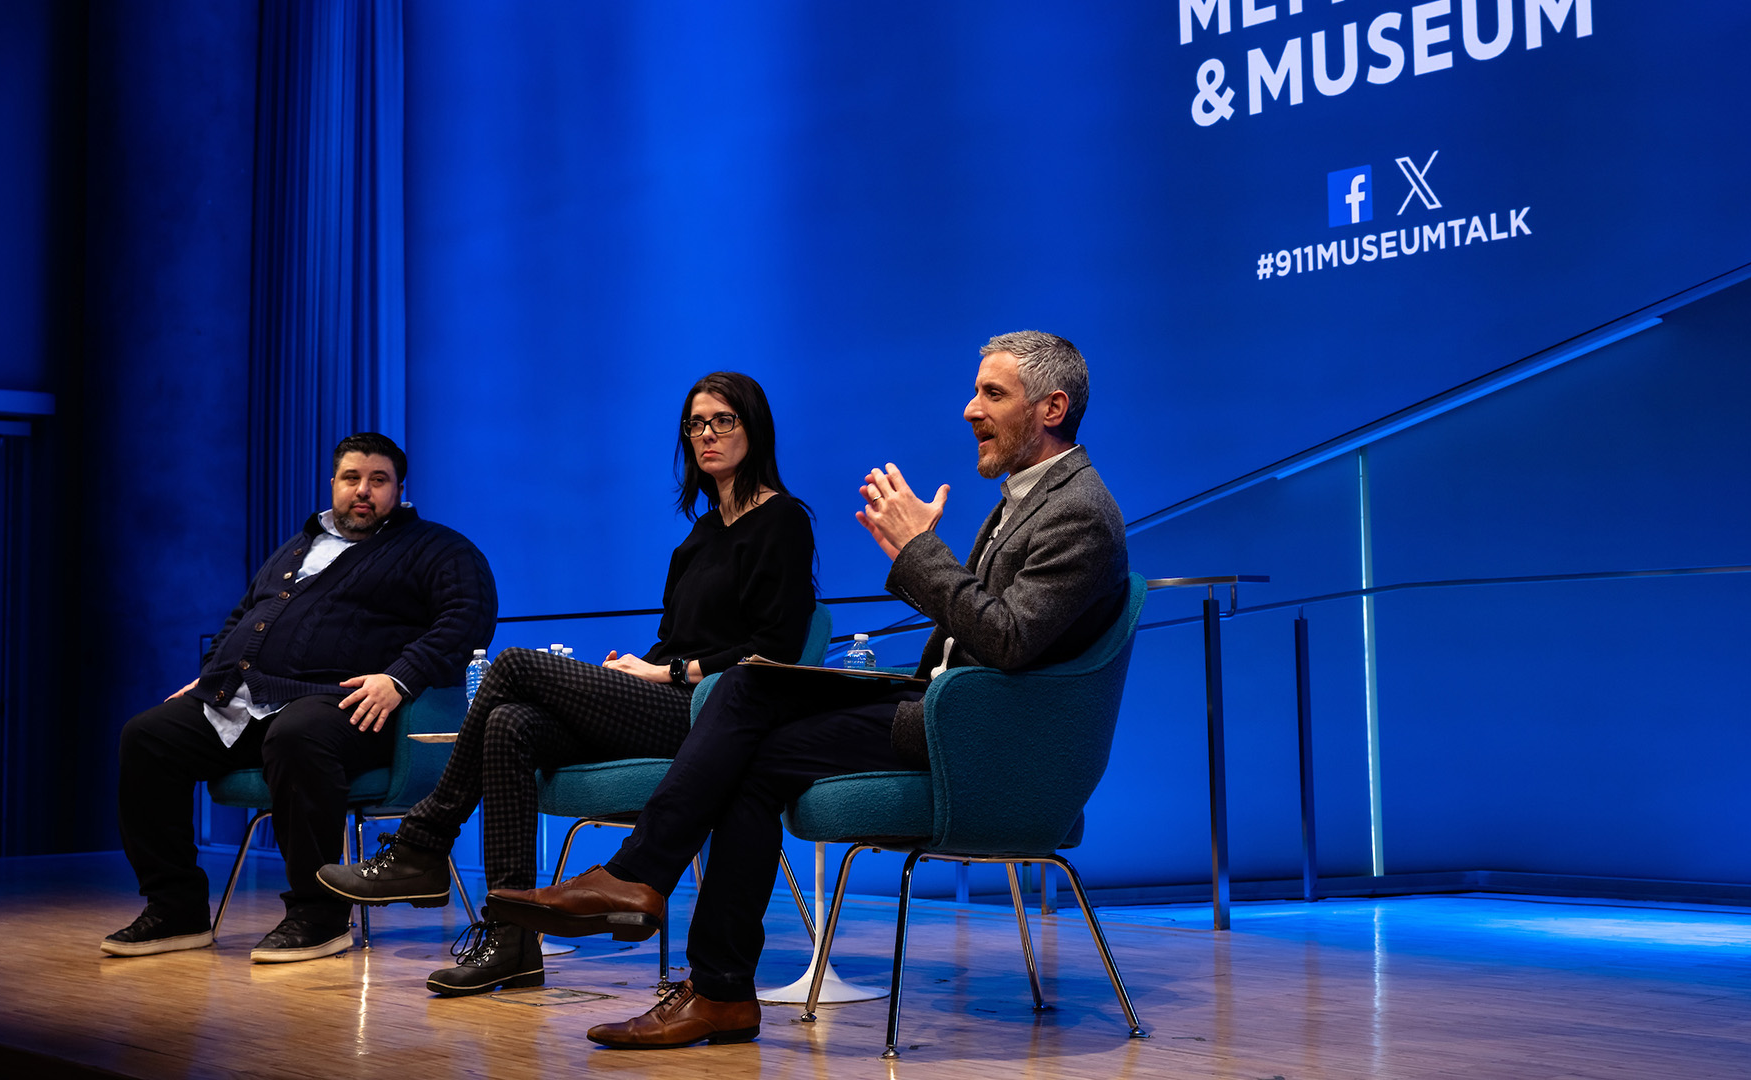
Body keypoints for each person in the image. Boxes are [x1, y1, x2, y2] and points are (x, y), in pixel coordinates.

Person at [486, 330, 1128, 1049]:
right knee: (749, 701)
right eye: (976, 391)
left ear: (1053, 407)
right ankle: (714, 985)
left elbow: (1008, 640)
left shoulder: (1079, 511)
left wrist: (921, 552)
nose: (970, 409)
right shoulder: (1029, 498)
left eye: (992, 394)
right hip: (943, 709)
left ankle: (647, 892)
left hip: (981, 737)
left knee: (745, 713)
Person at [315, 372, 817, 996]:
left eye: (722, 420)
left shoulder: (784, 521)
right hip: (663, 694)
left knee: (514, 666)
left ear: (754, 427)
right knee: (509, 724)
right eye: (695, 423)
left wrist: (666, 672)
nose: (706, 435)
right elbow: (679, 638)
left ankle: (422, 843)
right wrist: (634, 666)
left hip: (714, 716)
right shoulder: (700, 534)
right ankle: (511, 941)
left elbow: (776, 651)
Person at [104, 433, 498, 964]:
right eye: (351, 478)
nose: (363, 490)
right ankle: (176, 908)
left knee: (298, 735)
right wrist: (210, 677)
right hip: (249, 700)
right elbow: (242, 617)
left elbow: (465, 620)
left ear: (400, 489)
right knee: (148, 737)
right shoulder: (296, 547)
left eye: (377, 480)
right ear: (332, 483)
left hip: (349, 706)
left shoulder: (439, 548)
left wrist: (399, 677)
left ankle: (319, 915)